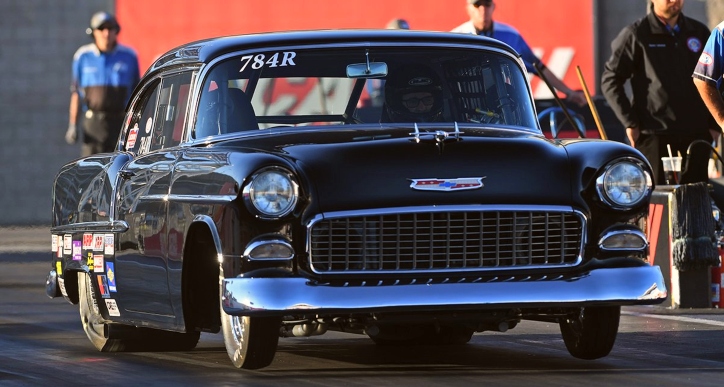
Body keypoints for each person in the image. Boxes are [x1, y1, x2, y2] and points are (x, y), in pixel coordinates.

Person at [601, 0, 717, 185]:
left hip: (697, 134)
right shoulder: (637, 34)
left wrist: (714, 125)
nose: (675, 1)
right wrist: (630, 122)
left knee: (696, 201)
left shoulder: (699, 32)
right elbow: (610, 80)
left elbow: (717, 78)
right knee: (658, 203)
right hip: (654, 134)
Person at [451, 0, 586, 107]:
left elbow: (538, 67)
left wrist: (568, 92)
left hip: (504, 106)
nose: (483, 10)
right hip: (467, 106)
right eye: (477, 5)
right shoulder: (456, 36)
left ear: (493, 7)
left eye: (487, 4)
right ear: (468, 8)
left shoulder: (511, 35)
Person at [66, 11, 140, 156]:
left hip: (121, 123)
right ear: (93, 32)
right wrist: (72, 125)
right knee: (92, 170)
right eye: (101, 29)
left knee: (120, 169)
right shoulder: (83, 57)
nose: (106, 33)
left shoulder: (129, 56)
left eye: (110, 28)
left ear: (116, 31)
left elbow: (138, 94)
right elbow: (76, 94)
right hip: (93, 123)